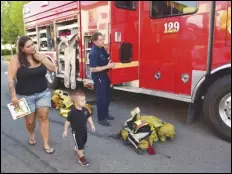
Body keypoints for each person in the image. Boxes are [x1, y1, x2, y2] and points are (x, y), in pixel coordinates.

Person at [8, 36, 56, 154]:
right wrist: (14, 96)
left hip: (43, 93)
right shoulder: (16, 59)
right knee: (30, 122)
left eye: (33, 44)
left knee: (44, 117)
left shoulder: (39, 56)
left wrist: (43, 59)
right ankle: (31, 134)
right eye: (28, 46)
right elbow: (10, 79)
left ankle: (46, 143)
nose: (32, 47)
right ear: (22, 48)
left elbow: (53, 68)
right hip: (25, 96)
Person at [89, 32, 115, 127]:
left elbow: (106, 58)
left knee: (107, 96)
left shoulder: (101, 48)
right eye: (100, 40)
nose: (102, 41)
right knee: (102, 98)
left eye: (103, 39)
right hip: (98, 76)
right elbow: (93, 68)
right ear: (95, 41)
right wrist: (108, 66)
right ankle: (101, 118)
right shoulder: (94, 52)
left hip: (104, 74)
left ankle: (106, 114)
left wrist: (110, 61)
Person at [63, 90, 95, 167]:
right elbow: (67, 122)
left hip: (84, 130)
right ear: (76, 103)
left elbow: (88, 117)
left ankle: (78, 147)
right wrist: (65, 130)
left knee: (84, 141)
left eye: (84, 100)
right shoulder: (72, 112)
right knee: (80, 146)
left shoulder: (85, 110)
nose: (85, 102)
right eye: (82, 101)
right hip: (76, 132)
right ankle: (81, 158)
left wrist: (92, 125)